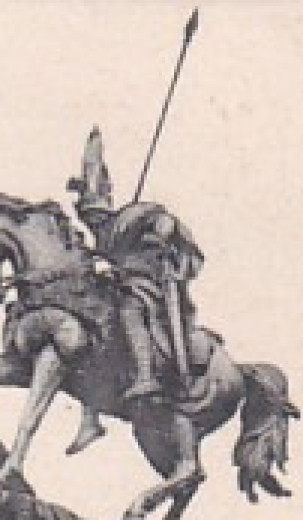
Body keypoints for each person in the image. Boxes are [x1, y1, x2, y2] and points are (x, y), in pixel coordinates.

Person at [64, 127, 207, 451]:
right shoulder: (101, 237)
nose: (92, 223)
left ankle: (145, 375)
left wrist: (160, 233)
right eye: (88, 219)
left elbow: (165, 220)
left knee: (129, 308)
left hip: (146, 283)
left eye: (95, 216)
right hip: (118, 284)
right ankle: (90, 417)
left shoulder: (134, 216)